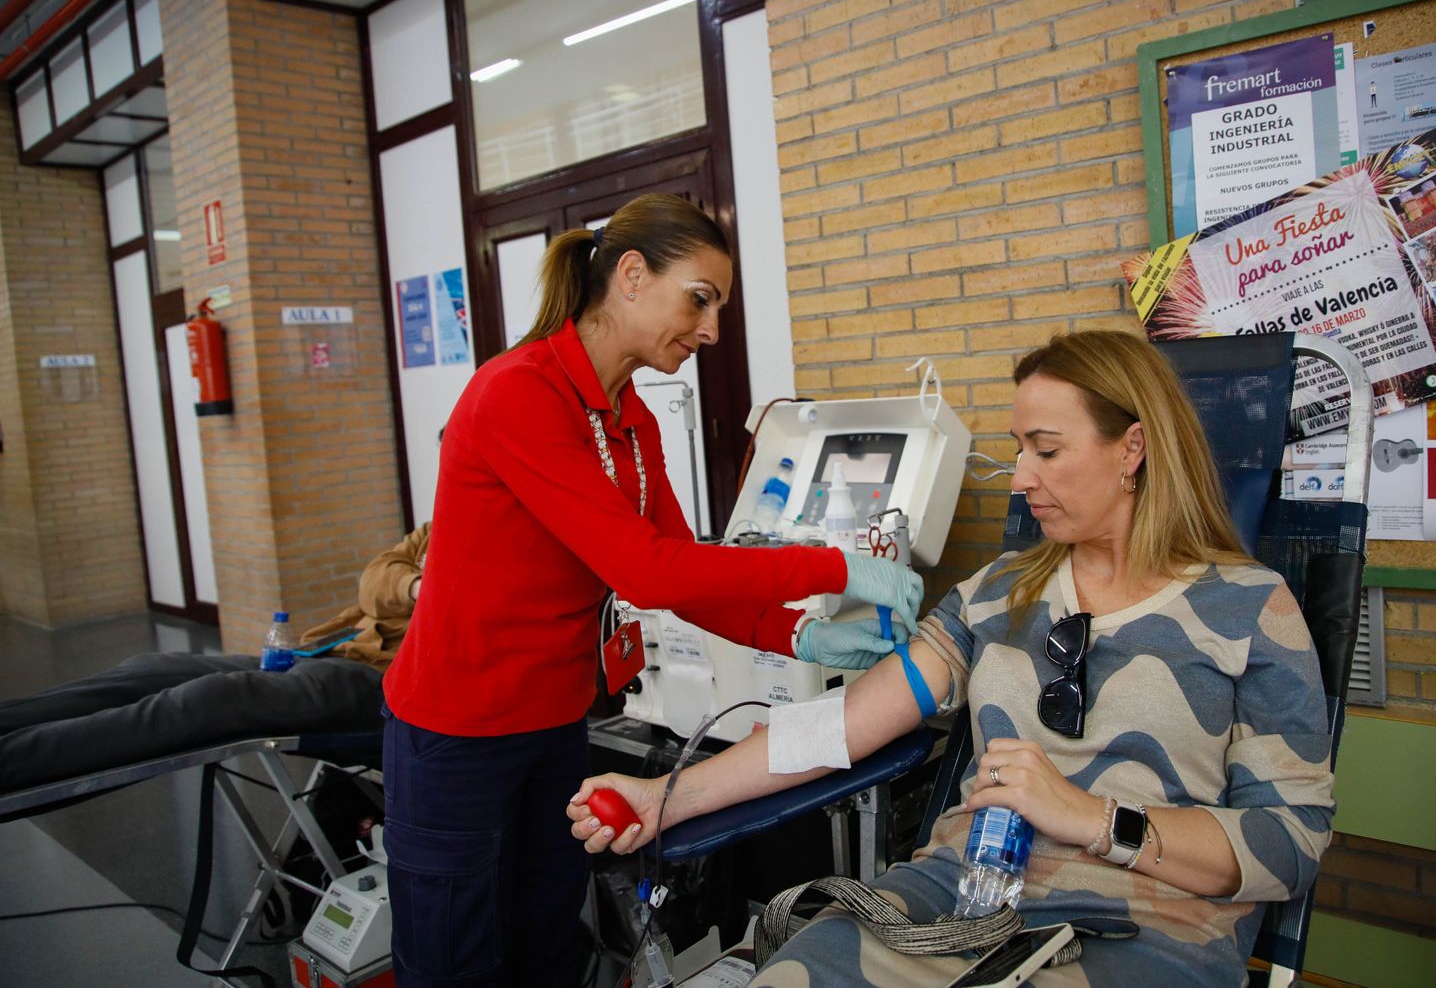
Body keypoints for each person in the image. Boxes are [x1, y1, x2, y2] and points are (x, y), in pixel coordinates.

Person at [571, 331, 1335, 988]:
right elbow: (835, 727)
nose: (1021, 476)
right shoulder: (994, 594)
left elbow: (1290, 843)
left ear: (1130, 448)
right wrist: (663, 798)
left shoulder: (1248, 608)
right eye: (1017, 450)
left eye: (1047, 450)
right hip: (956, 904)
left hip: (1143, 928)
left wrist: (1093, 818)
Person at [380, 193, 922, 988]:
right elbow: (649, 570)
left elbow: (679, 570)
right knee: (454, 964)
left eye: (719, 309)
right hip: (458, 732)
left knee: (546, 950)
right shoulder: (518, 394)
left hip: (554, 722)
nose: (709, 330)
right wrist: (833, 567)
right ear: (631, 276)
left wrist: (797, 635)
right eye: (698, 300)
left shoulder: (632, 420)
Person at [0, 522, 429, 794]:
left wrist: (432, 584)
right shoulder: (435, 529)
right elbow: (374, 580)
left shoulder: (493, 543)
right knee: (153, 669)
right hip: (327, 652)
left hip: (377, 683)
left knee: (214, 698)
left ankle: (13, 762)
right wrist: (415, 585)